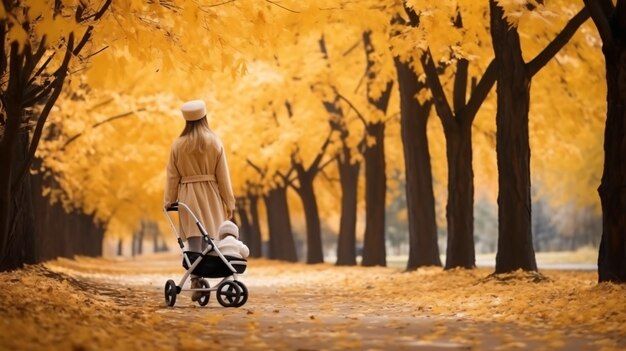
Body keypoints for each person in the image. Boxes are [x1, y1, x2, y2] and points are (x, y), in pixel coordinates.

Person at [164, 99, 236, 301]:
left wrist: (169, 200)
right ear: (205, 117)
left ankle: (196, 281)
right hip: (212, 194)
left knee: (194, 242)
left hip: (189, 197)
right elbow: (223, 176)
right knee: (212, 240)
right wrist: (229, 202)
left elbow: (172, 176)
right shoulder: (214, 142)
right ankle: (218, 274)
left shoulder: (178, 145)